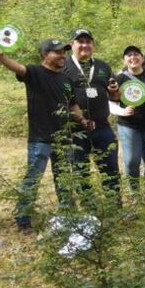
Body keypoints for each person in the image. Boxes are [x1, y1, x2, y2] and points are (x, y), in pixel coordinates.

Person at [0, 38, 85, 233]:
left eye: (64, 52)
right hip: (41, 138)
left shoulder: (66, 79)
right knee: (33, 179)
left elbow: (73, 104)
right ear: (45, 55)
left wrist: (83, 120)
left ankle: (68, 216)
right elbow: (19, 68)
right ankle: (23, 219)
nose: (63, 56)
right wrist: (2, 59)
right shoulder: (35, 72)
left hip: (64, 139)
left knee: (64, 180)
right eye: (58, 52)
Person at [63, 29, 119, 201]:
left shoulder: (103, 66)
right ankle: (89, 207)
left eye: (88, 42)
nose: (85, 45)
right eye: (80, 42)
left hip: (102, 126)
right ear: (72, 45)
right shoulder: (64, 66)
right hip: (75, 130)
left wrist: (115, 92)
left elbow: (115, 97)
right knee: (81, 170)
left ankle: (115, 205)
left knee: (110, 167)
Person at [110, 45, 145, 187]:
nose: (133, 57)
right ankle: (134, 191)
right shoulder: (119, 78)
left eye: (136, 54)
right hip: (128, 125)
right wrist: (122, 111)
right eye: (128, 55)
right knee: (131, 160)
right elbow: (110, 102)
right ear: (124, 60)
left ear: (142, 58)